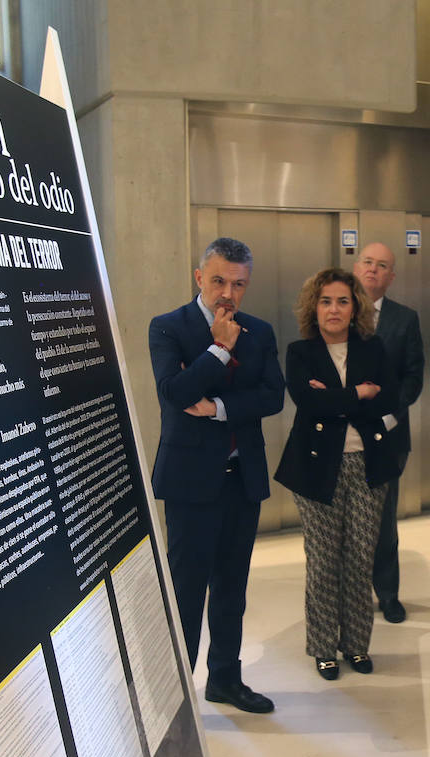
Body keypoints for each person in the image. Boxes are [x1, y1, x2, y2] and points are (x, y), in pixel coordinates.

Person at [148, 237, 284, 714]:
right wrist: (220, 352)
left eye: (239, 284)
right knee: (186, 592)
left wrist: (220, 407)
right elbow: (174, 392)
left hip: (240, 478)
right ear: (199, 278)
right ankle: (178, 697)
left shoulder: (261, 331)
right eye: (219, 281)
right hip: (190, 484)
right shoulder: (168, 328)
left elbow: (272, 396)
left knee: (232, 588)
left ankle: (225, 679)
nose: (229, 293)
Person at [275, 268, 403, 680]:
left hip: (368, 466)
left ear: (355, 308)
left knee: (360, 558)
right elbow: (307, 404)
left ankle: (357, 645)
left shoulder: (374, 348)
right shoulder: (300, 352)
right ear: (315, 306)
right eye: (326, 301)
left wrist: (332, 399)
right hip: (315, 470)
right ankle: (323, 647)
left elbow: (389, 399)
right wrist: (356, 395)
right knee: (323, 561)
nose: (334, 309)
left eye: (343, 301)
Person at [355, 243, 425, 624]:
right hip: (340, 436)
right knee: (343, 525)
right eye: (368, 262)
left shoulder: (404, 318)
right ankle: (349, 595)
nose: (373, 270)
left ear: (391, 276)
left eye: (383, 265)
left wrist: (386, 414)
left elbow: (414, 376)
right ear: (356, 266)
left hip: (387, 435)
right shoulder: (336, 312)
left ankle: (388, 593)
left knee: (383, 523)